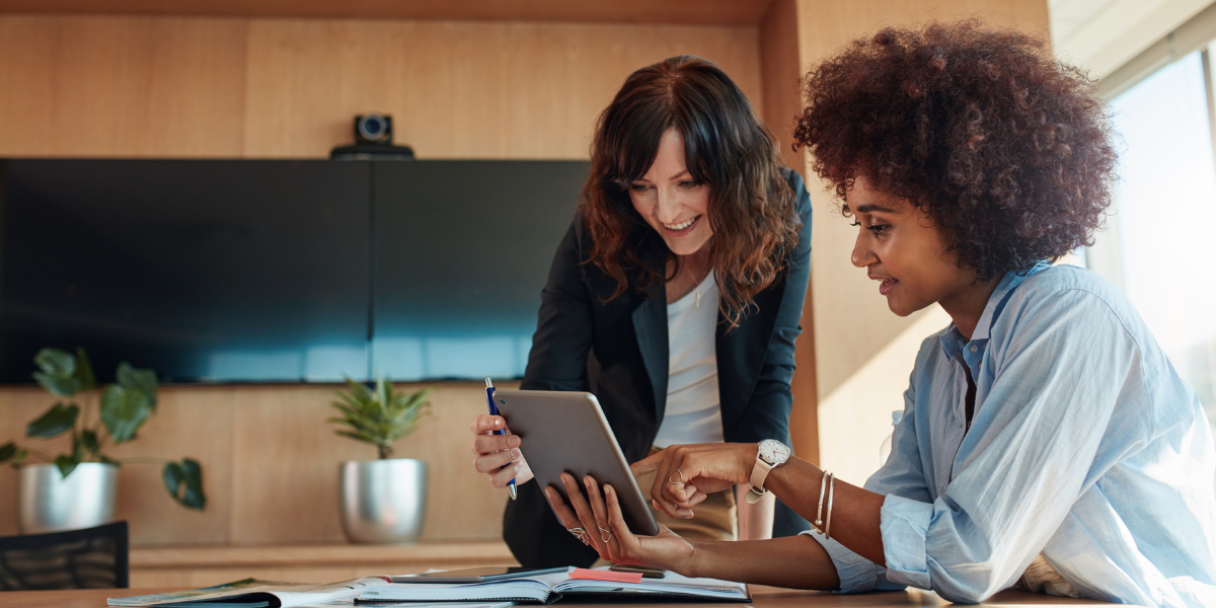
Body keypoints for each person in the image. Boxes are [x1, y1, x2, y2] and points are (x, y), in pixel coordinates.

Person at [545, 21, 1216, 607]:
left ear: (966, 209)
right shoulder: (940, 366)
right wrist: (687, 559)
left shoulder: (1070, 318)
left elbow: (963, 557)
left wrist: (763, 462)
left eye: (879, 225)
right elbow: (869, 552)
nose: (860, 253)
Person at [468, 55, 813, 568]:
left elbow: (769, 382)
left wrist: (756, 563)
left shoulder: (780, 211)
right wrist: (519, 453)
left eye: (689, 182)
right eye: (642, 186)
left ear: (735, 170)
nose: (666, 213)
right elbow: (550, 388)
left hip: (732, 490)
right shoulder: (599, 227)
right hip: (611, 497)